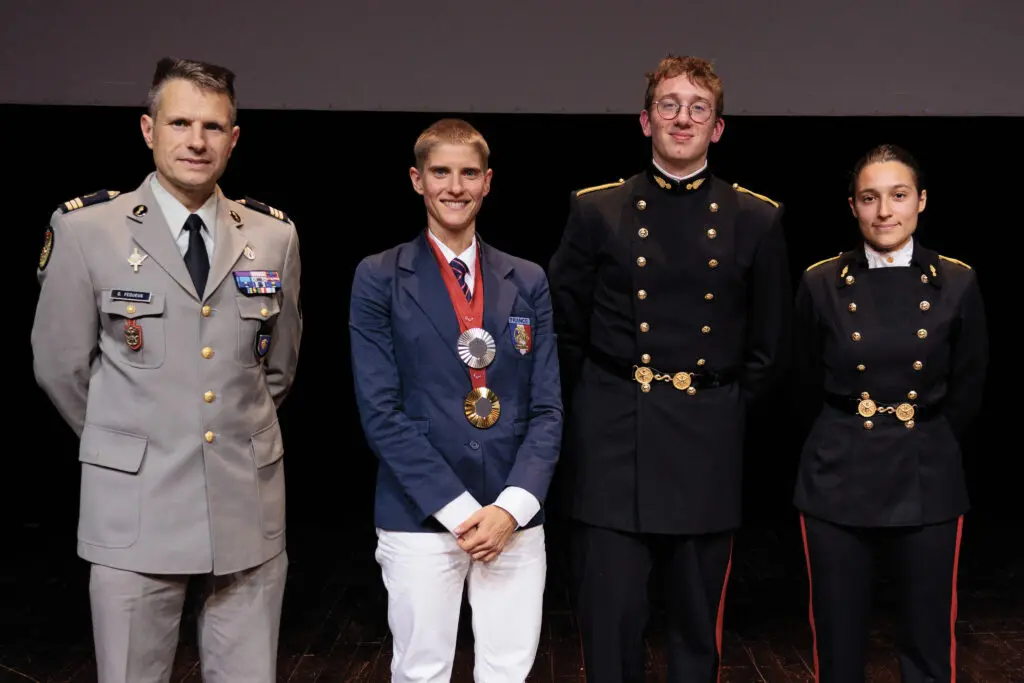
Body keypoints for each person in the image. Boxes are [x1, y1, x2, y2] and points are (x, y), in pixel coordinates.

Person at [30, 57, 303, 682]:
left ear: (233, 139)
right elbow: (60, 366)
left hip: (244, 509)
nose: (197, 140)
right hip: (136, 507)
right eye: (180, 122)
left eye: (213, 126)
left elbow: (278, 367)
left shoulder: (272, 236)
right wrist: (124, 440)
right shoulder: (85, 230)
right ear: (149, 129)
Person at [547, 55, 792, 682]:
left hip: (705, 442)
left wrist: (720, 408)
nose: (682, 118)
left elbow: (768, 347)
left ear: (717, 128)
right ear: (644, 119)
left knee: (695, 631)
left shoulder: (756, 218)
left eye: (698, 108)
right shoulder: (595, 209)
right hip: (615, 442)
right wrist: (605, 401)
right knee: (609, 626)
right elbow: (563, 327)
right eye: (669, 105)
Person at [349, 118, 562, 683]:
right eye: (440, 172)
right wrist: (464, 512)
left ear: (488, 182)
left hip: (512, 515)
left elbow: (548, 408)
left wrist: (510, 509)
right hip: (421, 512)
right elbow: (380, 411)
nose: (455, 186)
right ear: (416, 180)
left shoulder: (528, 279)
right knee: (421, 671)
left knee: (509, 670)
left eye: (469, 173)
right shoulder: (378, 277)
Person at [792, 144, 988, 683]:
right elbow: (803, 379)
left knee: (928, 640)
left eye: (898, 196)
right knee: (837, 637)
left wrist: (930, 439)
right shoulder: (820, 282)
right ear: (852, 207)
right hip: (838, 473)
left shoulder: (956, 281)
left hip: (926, 473)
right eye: (870, 198)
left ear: (921, 202)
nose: (884, 211)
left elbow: (970, 383)